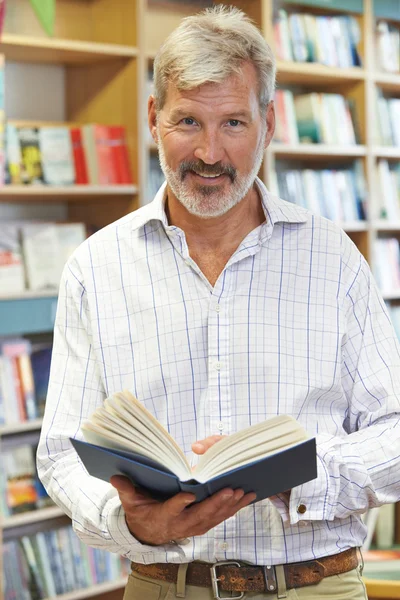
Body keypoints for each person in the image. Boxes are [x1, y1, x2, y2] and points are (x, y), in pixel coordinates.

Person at [37, 6, 400, 600]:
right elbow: (59, 452)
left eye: (233, 122)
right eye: (187, 121)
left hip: (315, 586)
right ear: (154, 118)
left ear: (268, 122)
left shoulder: (333, 258)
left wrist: (303, 475)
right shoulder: (95, 269)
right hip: (163, 585)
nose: (209, 152)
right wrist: (127, 520)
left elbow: (395, 429)